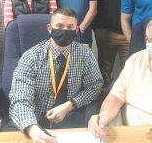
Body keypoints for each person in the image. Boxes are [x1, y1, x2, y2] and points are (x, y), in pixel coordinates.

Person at [9, 7, 103, 143]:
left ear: (76, 30)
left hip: (70, 119)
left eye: (70, 27)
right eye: (59, 26)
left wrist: (70, 105)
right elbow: (20, 98)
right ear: (49, 28)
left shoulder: (85, 54)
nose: (65, 30)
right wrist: (31, 128)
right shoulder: (31, 56)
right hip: (34, 120)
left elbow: (95, 87)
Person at [93, 0, 139, 88]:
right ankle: (103, 99)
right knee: (104, 71)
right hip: (106, 34)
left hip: (129, 35)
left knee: (130, 71)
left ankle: (125, 101)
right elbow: (95, 6)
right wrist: (98, 30)